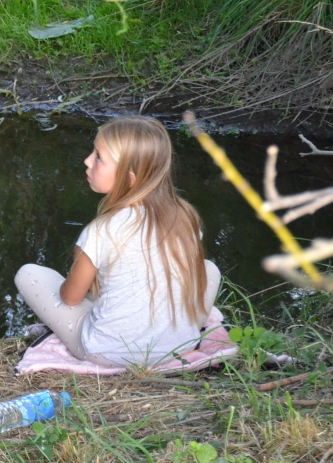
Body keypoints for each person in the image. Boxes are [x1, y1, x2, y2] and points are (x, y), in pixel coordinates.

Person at [15, 116, 222, 368]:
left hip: (108, 353)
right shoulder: (186, 217)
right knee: (209, 269)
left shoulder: (101, 231)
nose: (87, 161)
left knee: (28, 274)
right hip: (180, 348)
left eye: (99, 157)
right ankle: (177, 330)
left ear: (130, 178)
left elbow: (70, 298)